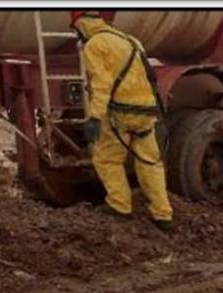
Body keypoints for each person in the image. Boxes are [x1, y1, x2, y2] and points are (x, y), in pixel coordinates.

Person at [70, 10, 175, 231]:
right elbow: (150, 77)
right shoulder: (132, 41)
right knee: (150, 162)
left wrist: (95, 118)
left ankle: (120, 205)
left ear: (80, 25)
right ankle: (163, 214)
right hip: (146, 111)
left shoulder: (94, 45)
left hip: (119, 114)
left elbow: (101, 85)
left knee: (107, 159)